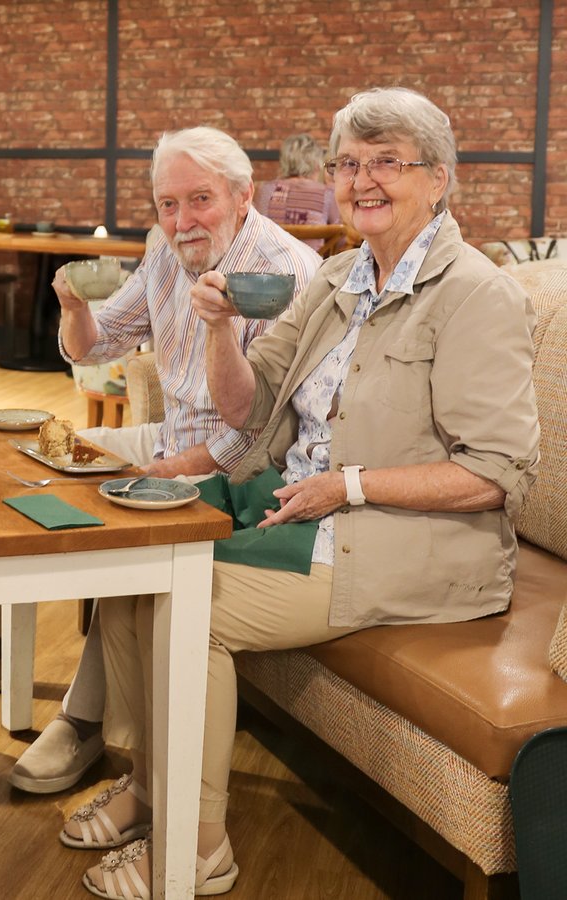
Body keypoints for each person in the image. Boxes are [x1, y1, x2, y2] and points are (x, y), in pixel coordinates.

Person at [72, 87, 539, 899]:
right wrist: (219, 328)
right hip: (305, 511)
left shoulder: (475, 293)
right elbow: (248, 405)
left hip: (411, 547)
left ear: (438, 178)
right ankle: (152, 789)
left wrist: (349, 484)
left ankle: (198, 844)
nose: (362, 180)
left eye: (386, 161)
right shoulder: (336, 280)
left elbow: (497, 474)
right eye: (348, 163)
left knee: (194, 603)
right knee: (135, 565)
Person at [0, 127, 321, 795]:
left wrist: (174, 471)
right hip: (171, 438)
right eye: (166, 204)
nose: (182, 221)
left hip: (242, 463)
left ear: (242, 196)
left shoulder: (285, 273)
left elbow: (266, 424)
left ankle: (81, 721)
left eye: (199, 199)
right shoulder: (164, 250)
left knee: (122, 517)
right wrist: (74, 309)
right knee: (32, 465)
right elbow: (94, 348)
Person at [253, 133, 341, 247]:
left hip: (270, 262)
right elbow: (340, 240)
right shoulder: (327, 194)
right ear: (315, 162)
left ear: (284, 159)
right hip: (315, 263)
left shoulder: (265, 190)